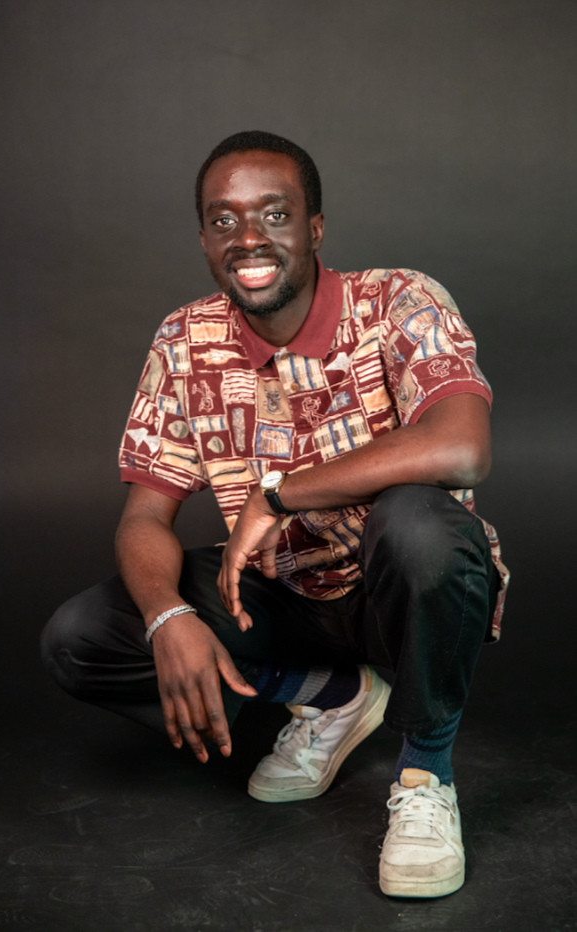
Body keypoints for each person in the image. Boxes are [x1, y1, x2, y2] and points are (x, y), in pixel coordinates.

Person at [41, 130, 509, 899]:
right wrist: (165, 618)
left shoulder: (398, 300)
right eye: (222, 220)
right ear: (201, 238)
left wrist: (276, 492)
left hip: (400, 587)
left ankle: (426, 771)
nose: (248, 237)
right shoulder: (183, 341)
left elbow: (461, 448)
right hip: (279, 593)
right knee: (81, 637)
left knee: (420, 525)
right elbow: (143, 518)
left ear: (314, 227)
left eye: (273, 214)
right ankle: (332, 696)